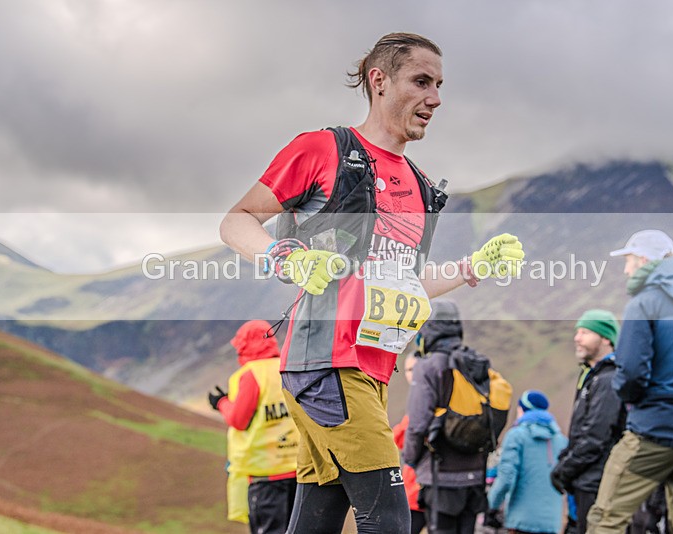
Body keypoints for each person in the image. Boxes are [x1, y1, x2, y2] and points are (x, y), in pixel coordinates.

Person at [219, 32, 525, 534]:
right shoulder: (323, 149)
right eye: (421, 81)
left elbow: (405, 285)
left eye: (440, 85)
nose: (436, 98)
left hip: (372, 368)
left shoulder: (421, 186)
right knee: (388, 518)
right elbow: (236, 220)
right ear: (379, 81)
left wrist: (471, 267)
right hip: (325, 362)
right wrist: (283, 256)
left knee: (317, 518)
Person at [586, 229, 673, 533]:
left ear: (643, 260)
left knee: (606, 518)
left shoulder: (643, 304)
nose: (626, 269)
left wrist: (630, 397)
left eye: (628, 260)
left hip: (652, 431)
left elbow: (630, 374)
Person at [403, 299, 512, 534]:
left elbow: (418, 423)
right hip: (475, 477)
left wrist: (411, 459)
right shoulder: (476, 362)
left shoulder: (428, 366)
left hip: (441, 476)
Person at [208, 320, 299, 534]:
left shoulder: (251, 374)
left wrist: (221, 402)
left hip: (265, 473)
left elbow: (239, 420)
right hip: (299, 469)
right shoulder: (288, 368)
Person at [551, 309, 625, 534]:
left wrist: (564, 469)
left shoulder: (608, 379)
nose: (577, 338)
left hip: (597, 482)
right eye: (577, 332)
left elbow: (596, 436)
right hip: (586, 480)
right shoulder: (593, 377)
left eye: (585, 332)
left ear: (605, 338)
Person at [486, 390, 568, 534]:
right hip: (552, 523)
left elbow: (506, 477)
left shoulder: (516, 436)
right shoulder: (561, 440)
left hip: (521, 521)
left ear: (522, 409)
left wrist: (491, 506)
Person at [392, 353, 426, 534]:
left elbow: (398, 438)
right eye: (408, 370)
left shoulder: (422, 402)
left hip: (418, 487)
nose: (410, 374)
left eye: (414, 369)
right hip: (424, 487)